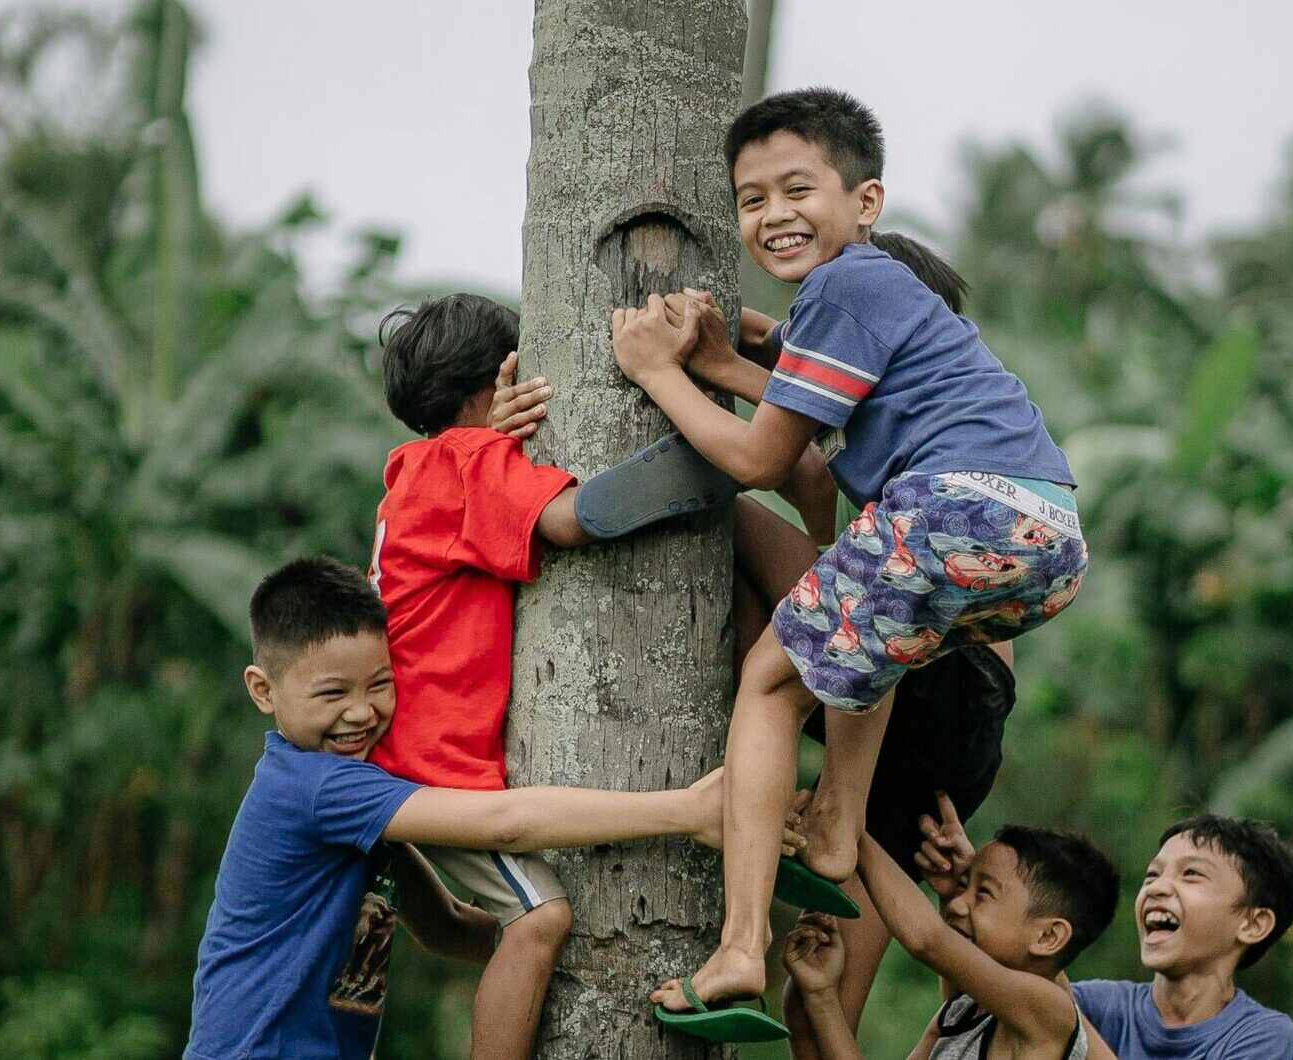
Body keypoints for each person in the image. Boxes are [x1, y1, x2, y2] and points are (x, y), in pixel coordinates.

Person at [611, 86, 1087, 1035]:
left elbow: (762, 457)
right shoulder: (869, 314)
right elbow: (788, 389)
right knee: (861, 645)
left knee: (770, 683)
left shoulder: (848, 284)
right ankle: (836, 823)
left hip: (959, 511)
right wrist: (722, 348)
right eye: (751, 200)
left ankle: (739, 946)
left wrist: (657, 369)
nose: (774, 215)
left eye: (798, 190)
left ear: (866, 203)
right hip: (1040, 544)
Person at [185, 557, 780, 1060]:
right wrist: (688, 811)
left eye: (380, 685)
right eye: (333, 693)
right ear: (263, 690)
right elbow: (506, 821)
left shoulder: (356, 802)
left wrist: (597, 953)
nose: (362, 712)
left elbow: (447, 927)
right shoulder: (314, 787)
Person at [367, 293, 737, 1058]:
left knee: (480, 928)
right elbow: (572, 519)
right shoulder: (470, 463)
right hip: (432, 768)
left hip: (395, 753)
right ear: (501, 377)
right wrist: (702, 459)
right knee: (539, 918)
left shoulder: (411, 471)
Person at [783, 814, 1119, 1059]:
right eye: (963, 886)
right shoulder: (961, 1014)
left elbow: (928, 941)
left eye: (983, 892)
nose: (959, 904)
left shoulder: (1049, 1010)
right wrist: (821, 994)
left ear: (1048, 936)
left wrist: (848, 825)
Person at [1072, 816, 1293, 1059]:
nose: (1156, 887)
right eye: (1152, 874)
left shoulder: (1263, 1036)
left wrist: (1074, 1034)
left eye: (1191, 873)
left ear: (1253, 924)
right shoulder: (1095, 1004)